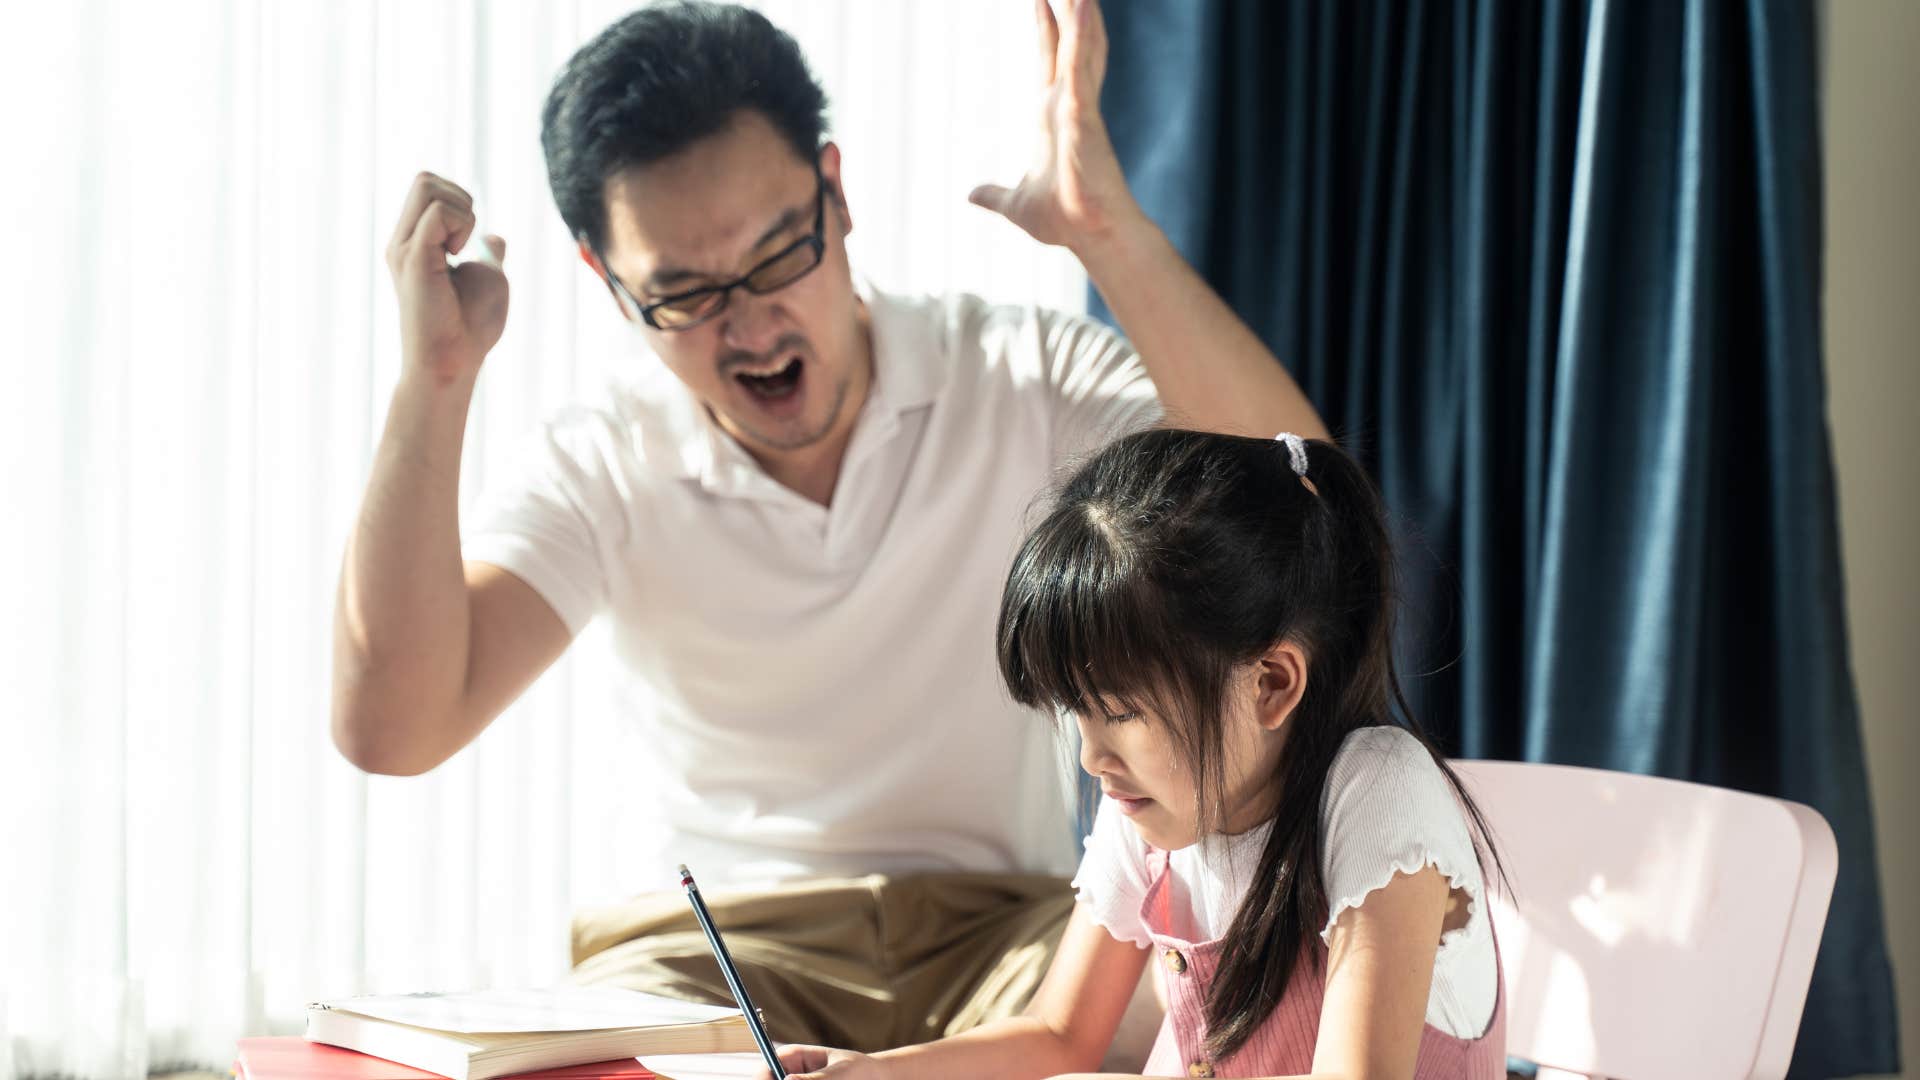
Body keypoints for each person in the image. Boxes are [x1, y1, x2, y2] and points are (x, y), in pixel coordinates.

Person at [330, 0, 1325, 1053]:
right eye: (685, 294)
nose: (752, 327)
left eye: (777, 255)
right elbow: (393, 727)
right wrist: (436, 377)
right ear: (608, 284)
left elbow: (1307, 513)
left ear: (836, 195)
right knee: (631, 1060)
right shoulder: (603, 457)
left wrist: (1105, 233)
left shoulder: (1022, 376)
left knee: (1232, 1011)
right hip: (714, 947)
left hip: (1008, 932)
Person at [770, 430, 1509, 1079]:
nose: (1093, 757)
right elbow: (1058, 1036)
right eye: (1075, 712)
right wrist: (878, 1070)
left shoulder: (1378, 787)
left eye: (1120, 712)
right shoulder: (1154, 803)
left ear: (1271, 683)